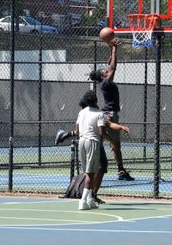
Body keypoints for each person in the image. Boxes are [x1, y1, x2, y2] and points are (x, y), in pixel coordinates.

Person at [56, 91, 130, 205]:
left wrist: (121, 127)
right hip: (94, 144)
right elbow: (102, 132)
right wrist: (112, 140)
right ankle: (88, 197)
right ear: (96, 101)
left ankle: (91, 196)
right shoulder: (97, 113)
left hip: (84, 142)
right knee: (93, 171)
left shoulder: (84, 112)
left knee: (99, 168)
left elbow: (109, 124)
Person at [88, 39, 135, 181]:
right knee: (115, 144)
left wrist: (113, 48)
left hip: (108, 113)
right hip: (109, 114)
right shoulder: (106, 83)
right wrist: (114, 50)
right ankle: (118, 170)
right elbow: (113, 67)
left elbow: (110, 64)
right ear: (102, 75)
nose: (106, 69)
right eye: (103, 71)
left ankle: (115, 169)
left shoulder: (104, 82)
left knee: (109, 143)